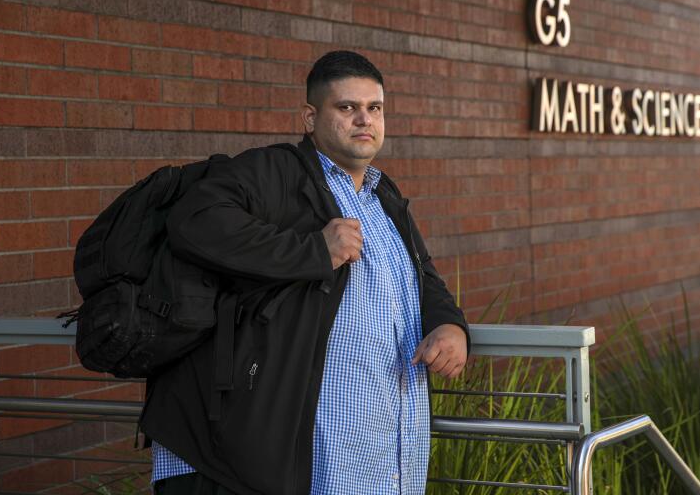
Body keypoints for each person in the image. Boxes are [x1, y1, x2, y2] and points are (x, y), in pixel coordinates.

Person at [140, 50, 470, 495]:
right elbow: (194, 221)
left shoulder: (383, 196)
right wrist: (314, 250)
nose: (363, 120)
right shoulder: (275, 172)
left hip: (383, 448)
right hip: (294, 450)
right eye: (346, 107)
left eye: (374, 108)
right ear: (310, 117)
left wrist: (449, 325)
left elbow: (422, 277)